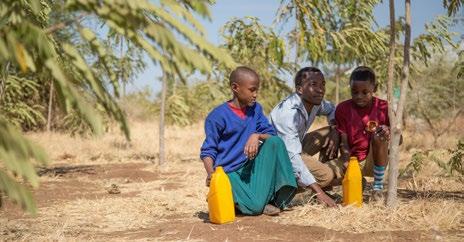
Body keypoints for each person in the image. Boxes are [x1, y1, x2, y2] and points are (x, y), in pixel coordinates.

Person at [200, 66, 297, 216]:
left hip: (250, 167)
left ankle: (271, 200)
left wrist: (256, 135)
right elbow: (208, 150)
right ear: (235, 88)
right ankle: (235, 198)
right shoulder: (217, 116)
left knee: (275, 143)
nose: (255, 94)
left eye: (257, 90)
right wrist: (211, 175)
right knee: (255, 208)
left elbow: (271, 135)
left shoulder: (256, 109)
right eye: (252, 90)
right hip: (229, 172)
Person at [269, 67, 342, 207]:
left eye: (323, 84)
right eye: (314, 85)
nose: (321, 89)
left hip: (295, 146)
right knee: (326, 175)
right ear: (300, 89)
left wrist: (334, 128)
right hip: (278, 158)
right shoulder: (287, 114)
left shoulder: (314, 103)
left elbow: (332, 108)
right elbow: (291, 156)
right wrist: (318, 191)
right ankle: (279, 190)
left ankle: (324, 188)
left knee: (328, 133)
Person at [335, 66, 390, 200]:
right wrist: (347, 160)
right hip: (353, 161)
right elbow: (343, 139)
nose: (359, 96)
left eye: (365, 92)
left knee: (379, 136)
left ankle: (377, 187)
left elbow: (399, 139)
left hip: (376, 160)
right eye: (354, 92)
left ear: (374, 88)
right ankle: (359, 181)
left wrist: (389, 133)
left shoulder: (384, 107)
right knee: (330, 175)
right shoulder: (342, 109)